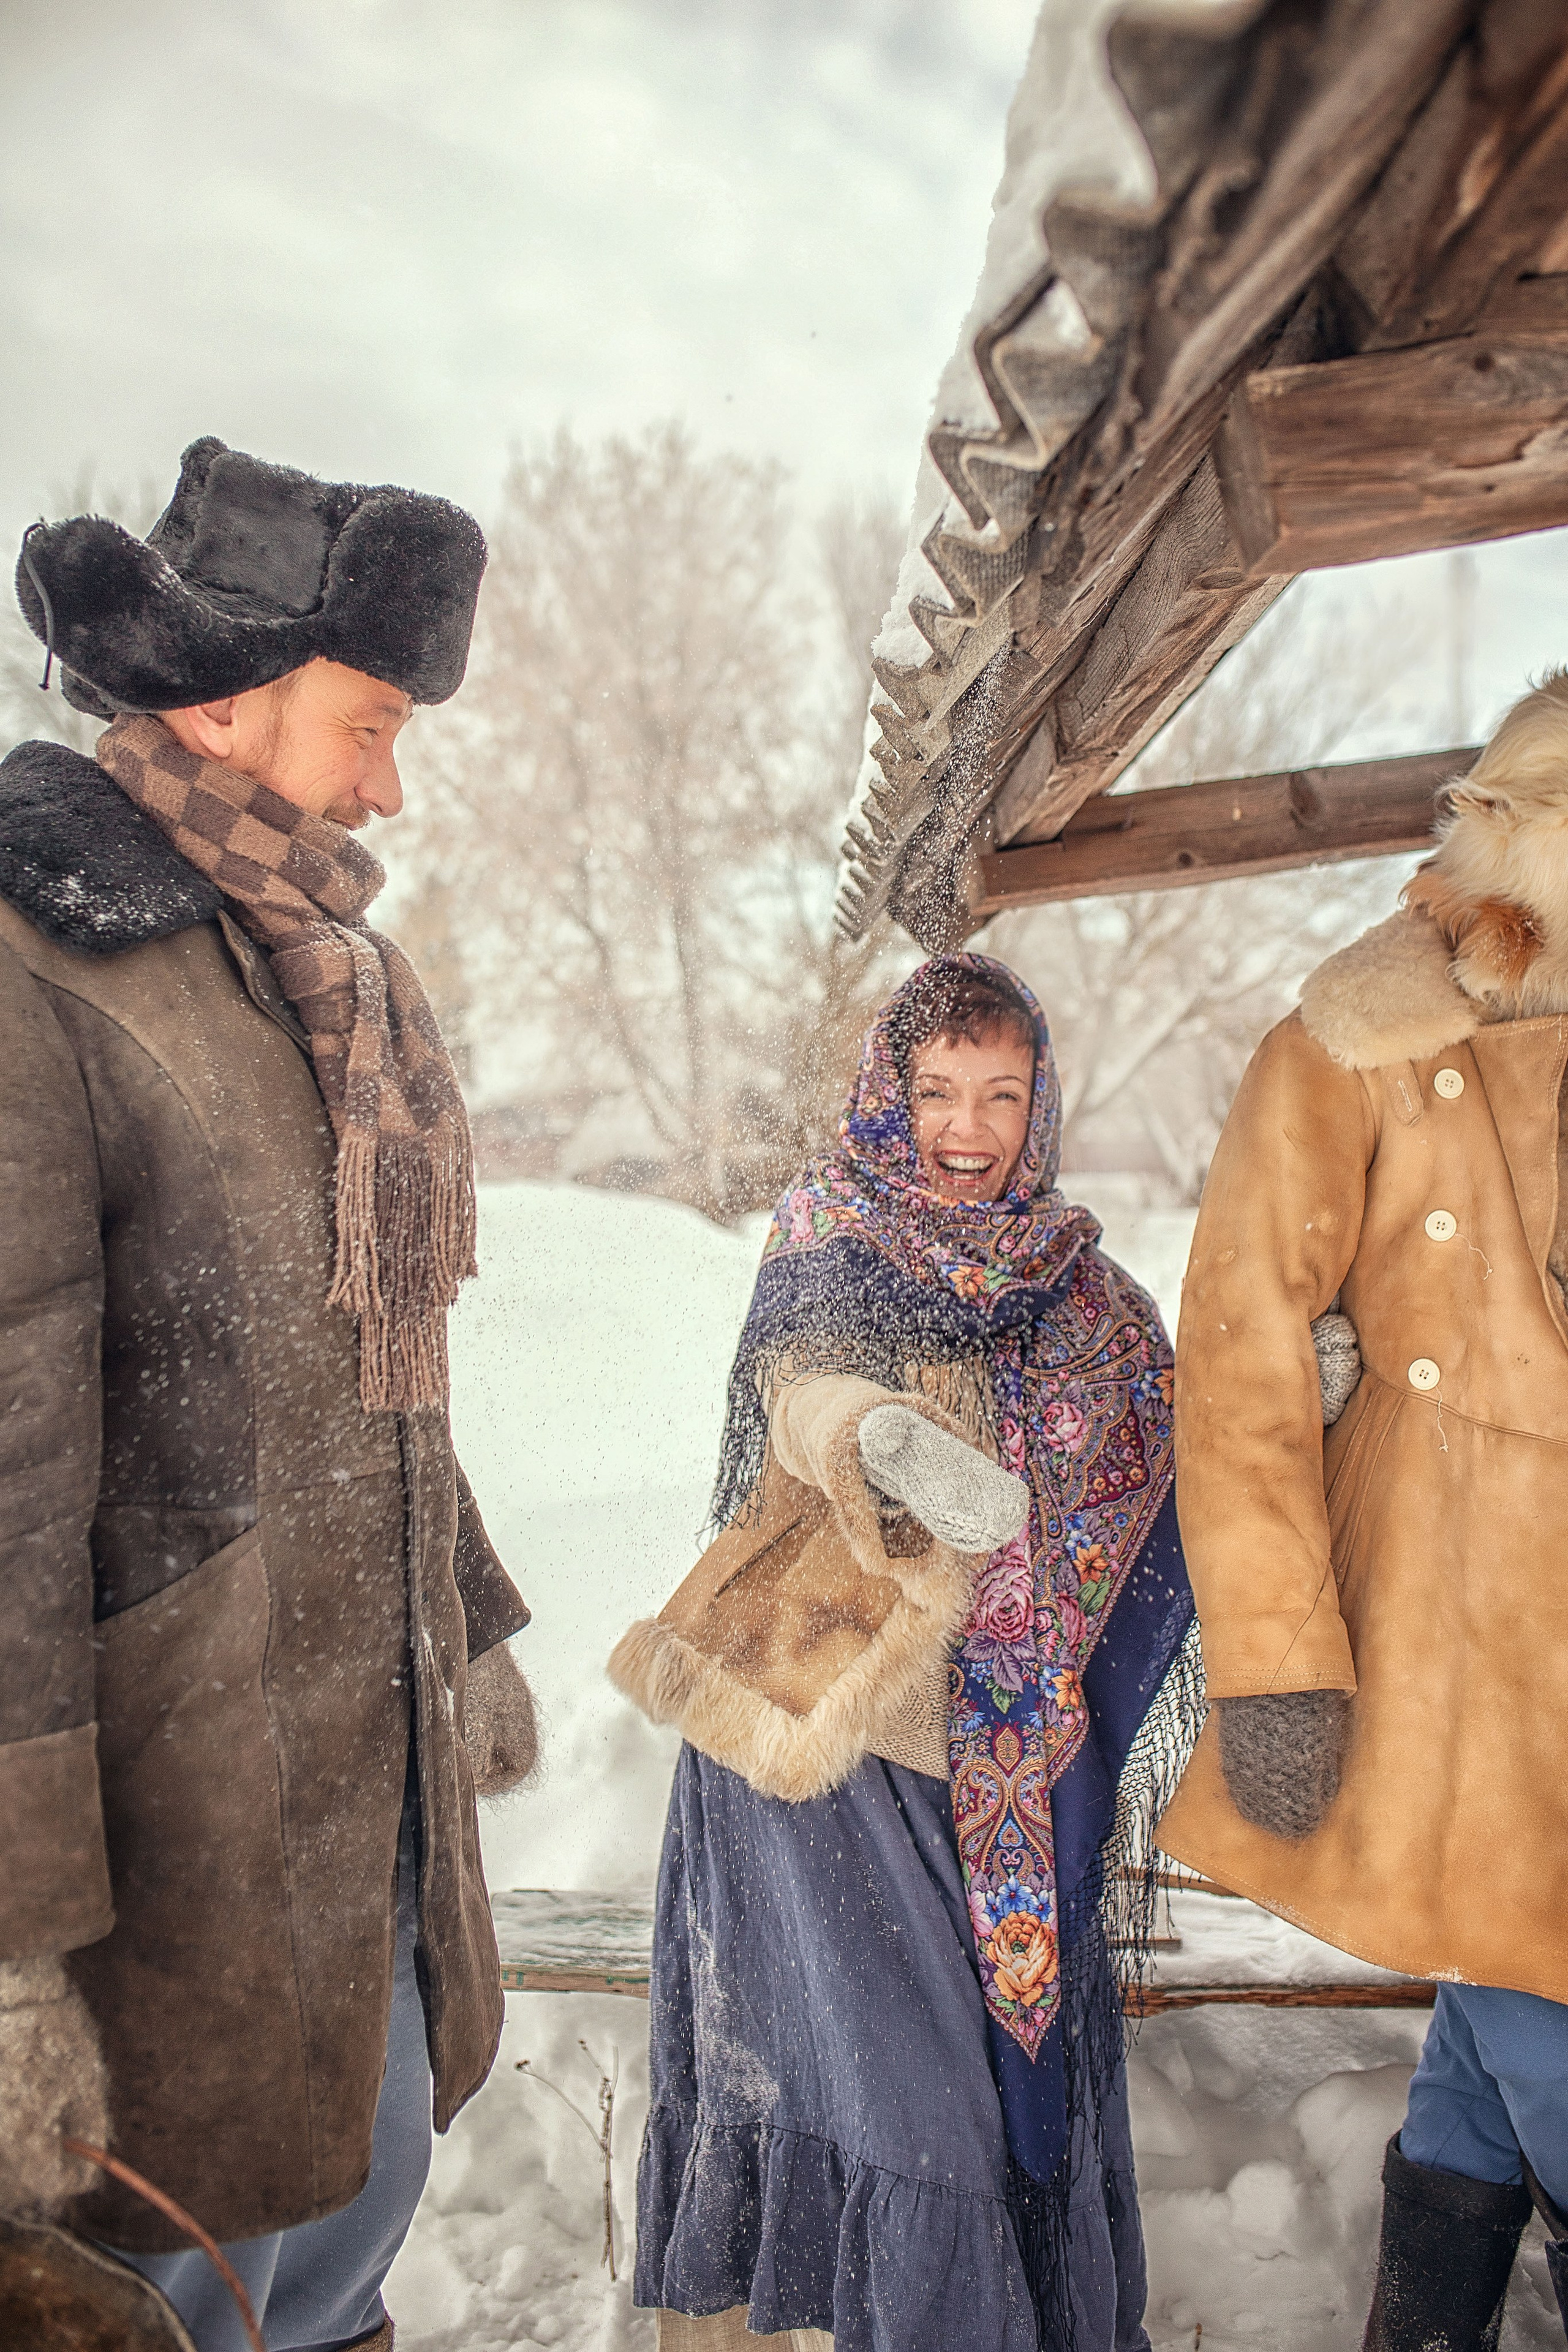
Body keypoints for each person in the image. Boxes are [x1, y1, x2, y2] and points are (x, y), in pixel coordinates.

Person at [0, 438, 538, 2351]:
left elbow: (359, 1353)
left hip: (352, 1798)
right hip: (170, 1846)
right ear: (223, 703)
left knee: (337, 2254)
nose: (391, 783)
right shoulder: (41, 959)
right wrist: (10, 1948)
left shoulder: (303, 971)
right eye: (370, 725)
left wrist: (461, 1619)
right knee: (174, 2287)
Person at [611, 954, 1200, 2352]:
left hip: (1011, 1766)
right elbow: (798, 1382)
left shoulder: (1088, 1290)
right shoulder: (833, 1228)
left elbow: (1181, 1452)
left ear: (1038, 1102)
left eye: (1000, 1092)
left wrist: (1291, 1396)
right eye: (936, 1089)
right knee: (907, 2112)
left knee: (999, 2102)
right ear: (888, 1093)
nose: (967, 1124)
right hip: (829, 1754)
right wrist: (874, 1437)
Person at [1156, 674, 1568, 2348]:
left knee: (1500, 2021)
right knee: (1543, 1997)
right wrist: (1274, 1658)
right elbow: (1240, 1346)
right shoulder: (1358, 1041)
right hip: (1444, 1636)